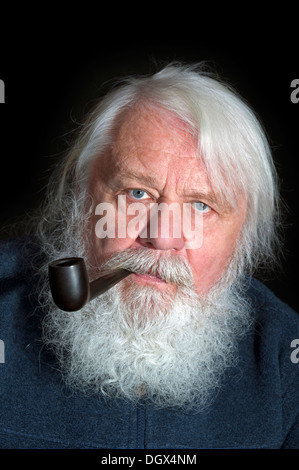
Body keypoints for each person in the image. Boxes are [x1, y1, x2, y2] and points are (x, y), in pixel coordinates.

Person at [0, 62, 298, 449]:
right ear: (81, 197)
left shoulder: (284, 360)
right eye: (137, 194)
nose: (162, 237)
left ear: (243, 237)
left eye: (202, 206)